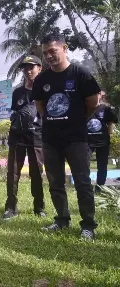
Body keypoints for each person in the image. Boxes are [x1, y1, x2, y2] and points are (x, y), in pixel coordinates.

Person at [32, 33, 101, 240]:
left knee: (82, 182)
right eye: (45, 53)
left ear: (64, 48)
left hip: (76, 139)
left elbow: (93, 103)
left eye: (53, 51)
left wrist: (77, 120)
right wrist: (55, 122)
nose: (49, 56)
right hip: (51, 139)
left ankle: (88, 225)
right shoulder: (42, 80)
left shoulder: (81, 73)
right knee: (55, 183)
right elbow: (41, 107)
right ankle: (61, 220)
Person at [3, 55, 45, 220]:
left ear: (39, 68)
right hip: (17, 137)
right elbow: (14, 114)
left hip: (37, 137)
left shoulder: (45, 90)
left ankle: (39, 207)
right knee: (13, 173)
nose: (28, 71)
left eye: (31, 67)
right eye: (25, 68)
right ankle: (10, 207)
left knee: (37, 173)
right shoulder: (18, 92)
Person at [87, 91, 118, 192]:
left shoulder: (106, 108)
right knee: (84, 164)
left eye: (97, 94)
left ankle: (100, 187)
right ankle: (86, 186)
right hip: (87, 141)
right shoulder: (84, 107)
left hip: (103, 141)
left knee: (102, 165)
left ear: (100, 96)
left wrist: (108, 135)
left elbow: (111, 122)